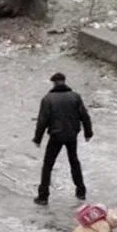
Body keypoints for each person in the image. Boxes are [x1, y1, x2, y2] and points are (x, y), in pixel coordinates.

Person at [33, 72, 92, 206]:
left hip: (56, 136)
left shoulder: (48, 99)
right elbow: (84, 116)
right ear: (64, 81)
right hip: (72, 135)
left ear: (53, 83)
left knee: (48, 165)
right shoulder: (75, 97)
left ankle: (43, 196)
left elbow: (42, 120)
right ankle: (81, 191)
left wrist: (38, 138)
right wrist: (88, 133)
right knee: (74, 161)